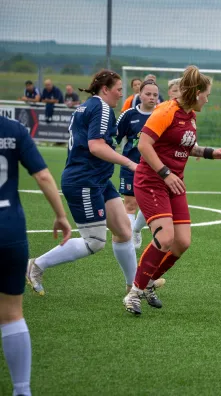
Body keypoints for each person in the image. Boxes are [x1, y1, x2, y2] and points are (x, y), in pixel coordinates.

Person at [123, 65, 221, 315]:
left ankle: (149, 281)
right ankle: (134, 293)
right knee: (165, 238)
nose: (208, 99)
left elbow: (184, 145)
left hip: (174, 183)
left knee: (181, 242)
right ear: (197, 92)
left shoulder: (190, 115)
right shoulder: (166, 110)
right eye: (208, 94)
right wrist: (165, 173)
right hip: (152, 182)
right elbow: (144, 145)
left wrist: (210, 153)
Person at [26, 70, 140, 301]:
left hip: (98, 178)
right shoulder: (101, 108)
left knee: (124, 232)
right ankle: (36, 265)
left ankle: (134, 287)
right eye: (118, 89)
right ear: (105, 89)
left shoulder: (87, 105)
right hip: (84, 181)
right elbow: (96, 146)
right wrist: (130, 163)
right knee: (95, 242)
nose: (121, 93)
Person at [1, 116, 71, 396]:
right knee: (12, 314)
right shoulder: (13, 130)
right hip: (10, 229)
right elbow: (42, 175)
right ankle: (22, 390)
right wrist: (61, 215)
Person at [116, 80, 159, 249]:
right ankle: (127, 241)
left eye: (155, 95)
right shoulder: (128, 115)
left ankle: (136, 229)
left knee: (148, 204)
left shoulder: (161, 114)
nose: (151, 97)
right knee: (130, 203)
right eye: (148, 94)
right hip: (130, 166)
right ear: (139, 94)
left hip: (154, 168)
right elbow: (114, 137)